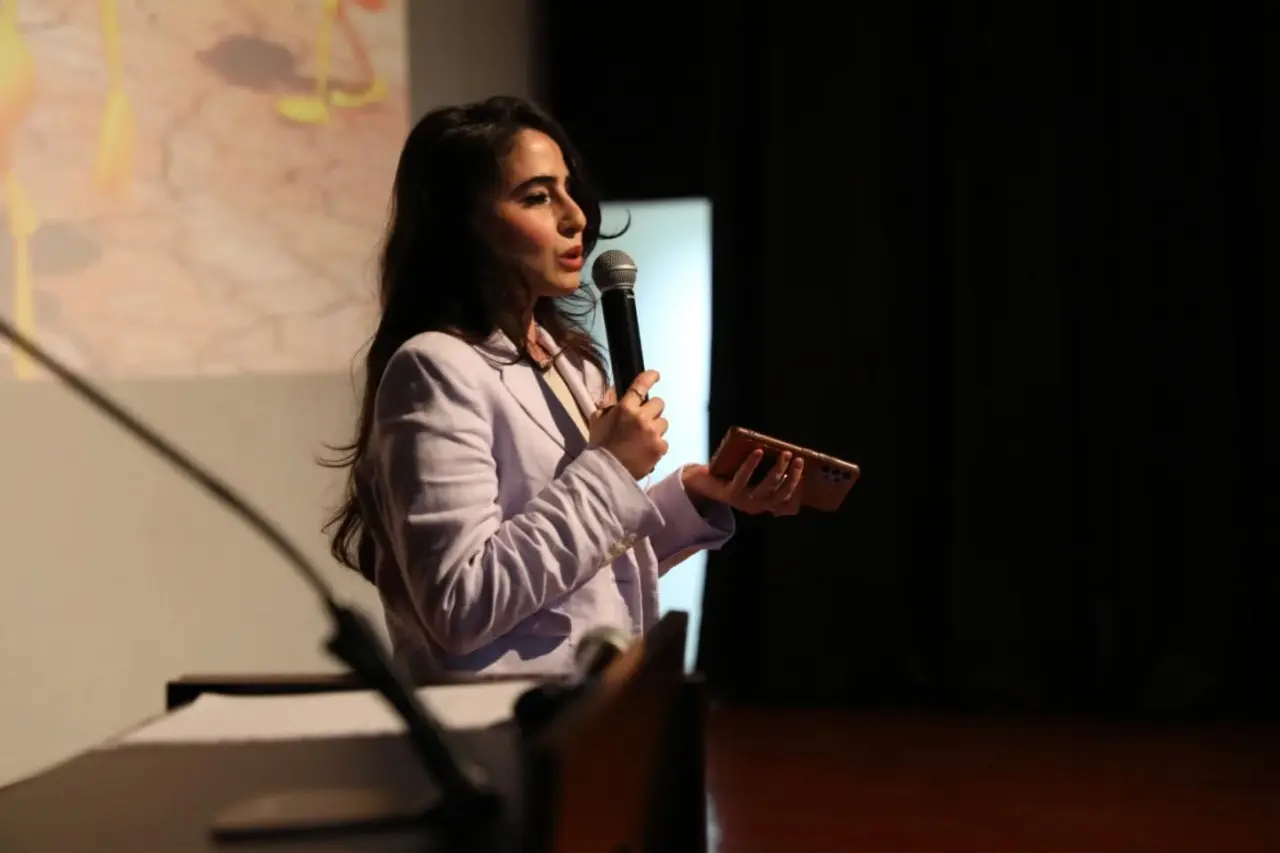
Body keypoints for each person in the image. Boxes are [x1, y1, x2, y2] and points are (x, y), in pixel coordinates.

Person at [324, 96, 805, 678]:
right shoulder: (433, 368)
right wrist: (611, 468)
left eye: (568, 189)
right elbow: (460, 601)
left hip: (594, 704)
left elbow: (584, 571)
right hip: (501, 719)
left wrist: (696, 496)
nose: (576, 216)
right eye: (537, 196)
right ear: (462, 223)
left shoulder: (570, 364)